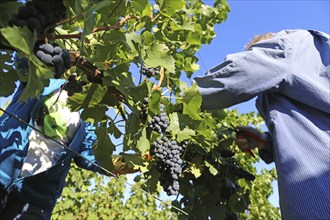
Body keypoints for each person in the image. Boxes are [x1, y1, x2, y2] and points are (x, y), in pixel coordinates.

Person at [193, 29, 330, 219]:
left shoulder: (291, 46)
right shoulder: (313, 65)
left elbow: (240, 72)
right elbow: (315, 137)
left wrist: (176, 98)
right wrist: (265, 142)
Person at [0, 62, 135, 219]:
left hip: (36, 200)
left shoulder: (89, 113)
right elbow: (24, 60)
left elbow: (88, 153)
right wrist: (38, 47)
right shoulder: (44, 81)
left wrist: (114, 164)